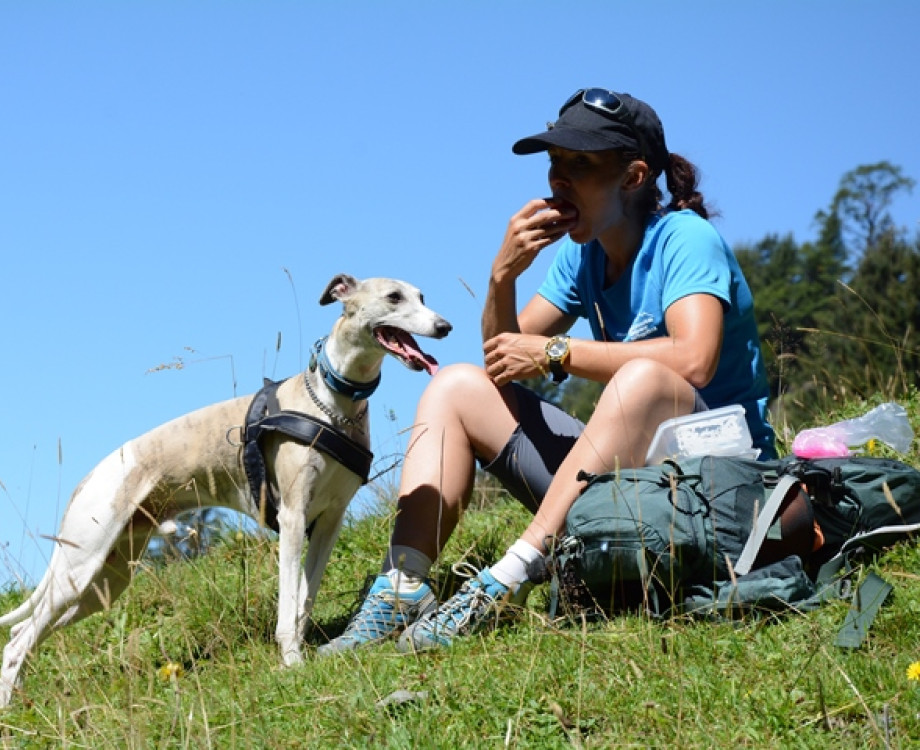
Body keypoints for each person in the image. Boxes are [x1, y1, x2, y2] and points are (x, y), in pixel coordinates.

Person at [318, 87, 775, 655]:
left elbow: (693, 360)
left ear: (633, 178)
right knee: (457, 385)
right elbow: (500, 363)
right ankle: (402, 587)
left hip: (719, 491)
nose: (558, 180)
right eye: (555, 163)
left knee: (643, 378)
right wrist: (502, 276)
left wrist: (558, 352)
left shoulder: (685, 239)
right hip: (630, 486)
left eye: (580, 166)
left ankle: (510, 577)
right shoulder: (580, 255)